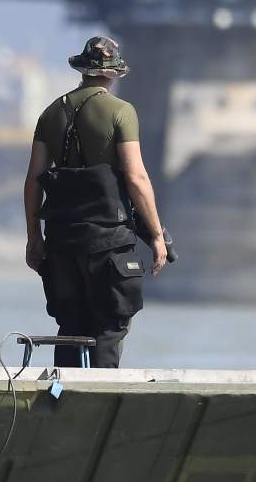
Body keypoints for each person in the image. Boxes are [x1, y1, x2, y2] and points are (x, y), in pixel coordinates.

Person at [23, 35, 168, 368]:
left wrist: (35, 236)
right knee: (109, 325)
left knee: (70, 324)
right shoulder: (121, 111)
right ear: (113, 73)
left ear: (84, 69)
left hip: (61, 237)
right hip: (108, 238)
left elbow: (34, 179)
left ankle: (61, 400)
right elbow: (135, 177)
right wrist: (157, 235)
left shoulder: (50, 113)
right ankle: (100, 397)